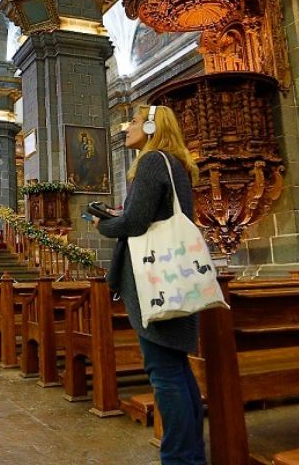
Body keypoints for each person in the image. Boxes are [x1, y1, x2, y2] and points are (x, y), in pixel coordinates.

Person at [92, 104, 205, 465]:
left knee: (164, 373)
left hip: (155, 279)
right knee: (177, 368)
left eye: (135, 122)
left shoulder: (153, 161)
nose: (126, 128)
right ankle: (191, 456)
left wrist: (105, 225)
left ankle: (180, 459)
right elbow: (148, 216)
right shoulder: (176, 164)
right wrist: (121, 216)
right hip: (174, 274)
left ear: (154, 127)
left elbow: (135, 223)